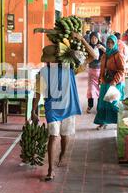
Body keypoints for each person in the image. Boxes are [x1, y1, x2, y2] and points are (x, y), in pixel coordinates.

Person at [31, 33, 98, 181]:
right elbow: (37, 92)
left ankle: (62, 154)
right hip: (52, 108)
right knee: (53, 136)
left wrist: (81, 39)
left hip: (67, 105)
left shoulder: (71, 69)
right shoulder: (43, 73)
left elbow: (93, 56)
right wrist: (33, 110)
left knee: (64, 136)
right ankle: (50, 169)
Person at [94, 35, 126, 130]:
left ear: (115, 43)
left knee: (113, 104)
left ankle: (121, 122)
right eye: (108, 42)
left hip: (115, 83)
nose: (110, 44)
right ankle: (102, 122)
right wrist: (100, 79)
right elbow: (102, 69)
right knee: (102, 103)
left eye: (112, 42)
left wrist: (115, 81)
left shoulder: (118, 54)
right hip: (105, 81)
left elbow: (122, 70)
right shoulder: (104, 55)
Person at [86, 32, 106, 113]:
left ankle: (99, 106)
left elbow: (109, 53)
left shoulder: (101, 46)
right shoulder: (88, 47)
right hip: (91, 71)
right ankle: (90, 105)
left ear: (98, 39)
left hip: (100, 71)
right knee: (91, 90)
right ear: (90, 39)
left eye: (95, 38)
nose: (94, 40)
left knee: (100, 90)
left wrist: (102, 48)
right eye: (92, 38)